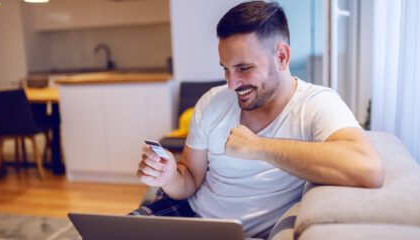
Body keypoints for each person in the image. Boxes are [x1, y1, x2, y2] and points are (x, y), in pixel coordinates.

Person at [131, 1, 384, 239]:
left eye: (243, 68)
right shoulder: (211, 102)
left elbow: (367, 169)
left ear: (282, 57)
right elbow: (189, 179)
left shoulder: (316, 104)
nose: (231, 84)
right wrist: (168, 176)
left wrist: (258, 147)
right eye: (225, 69)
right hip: (189, 215)